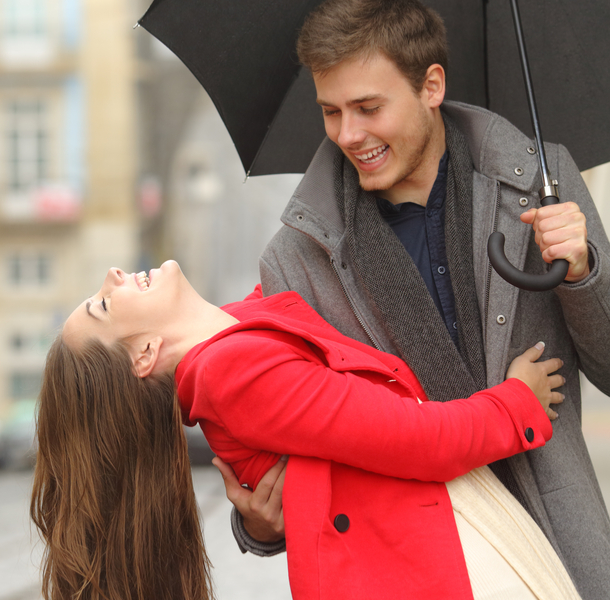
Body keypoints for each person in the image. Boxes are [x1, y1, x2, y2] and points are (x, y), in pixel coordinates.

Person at [221, 1, 610, 598]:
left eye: (369, 108)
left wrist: (583, 272)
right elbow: (303, 450)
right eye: (331, 111)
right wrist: (260, 523)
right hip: (414, 571)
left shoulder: (541, 182)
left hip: (561, 551)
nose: (349, 134)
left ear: (431, 85)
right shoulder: (294, 261)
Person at [30, 260, 578, 600]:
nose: (114, 275)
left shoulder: (239, 332)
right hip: (437, 559)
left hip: (443, 534)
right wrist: (516, 406)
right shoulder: (230, 375)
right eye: (105, 304)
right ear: (145, 353)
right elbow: (409, 438)